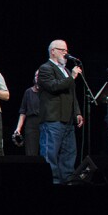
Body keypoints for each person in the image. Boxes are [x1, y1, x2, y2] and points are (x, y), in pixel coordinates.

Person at [38, 39, 84, 184]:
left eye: (66, 51)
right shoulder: (45, 68)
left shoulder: (65, 70)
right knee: (50, 153)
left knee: (69, 153)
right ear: (53, 51)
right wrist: (72, 77)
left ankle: (67, 179)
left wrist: (77, 112)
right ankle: (53, 181)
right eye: (62, 50)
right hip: (53, 118)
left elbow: (72, 95)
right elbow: (53, 86)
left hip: (68, 118)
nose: (66, 53)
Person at [13, 69, 41, 156]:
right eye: (36, 75)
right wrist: (18, 128)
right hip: (31, 125)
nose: (38, 77)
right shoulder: (28, 92)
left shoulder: (47, 93)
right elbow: (23, 112)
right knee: (31, 153)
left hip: (45, 123)